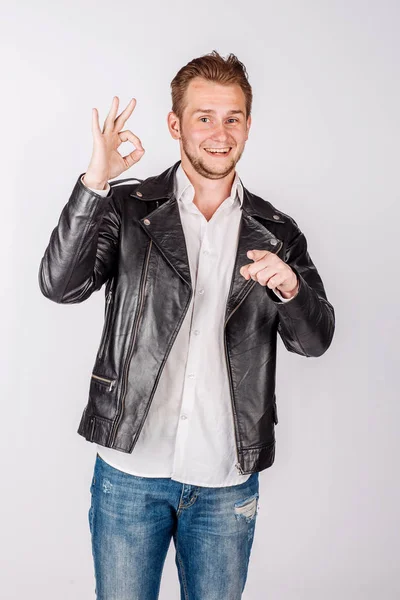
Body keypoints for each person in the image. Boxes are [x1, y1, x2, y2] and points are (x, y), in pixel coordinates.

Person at [38, 50, 335, 600]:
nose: (219, 134)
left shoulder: (276, 231)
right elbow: (60, 284)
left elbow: (314, 340)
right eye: (204, 117)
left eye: (233, 118)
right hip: (129, 471)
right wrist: (95, 182)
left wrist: (289, 287)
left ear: (248, 125)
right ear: (176, 124)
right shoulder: (127, 209)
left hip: (225, 478)